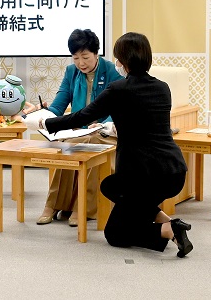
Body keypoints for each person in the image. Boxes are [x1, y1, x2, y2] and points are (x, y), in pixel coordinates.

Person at [40, 32, 193, 257]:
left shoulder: (119, 89)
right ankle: (170, 222)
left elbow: (82, 116)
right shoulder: (163, 87)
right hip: (173, 172)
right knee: (110, 186)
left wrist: (46, 123)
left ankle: (169, 229)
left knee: (116, 234)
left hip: (143, 176)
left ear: (122, 61)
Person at [35, 29, 123, 226]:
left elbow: (119, 106)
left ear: (96, 53)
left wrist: (103, 122)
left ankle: (81, 206)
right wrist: (44, 114)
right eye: (76, 58)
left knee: (87, 143)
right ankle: (54, 204)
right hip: (78, 129)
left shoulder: (110, 71)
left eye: (85, 57)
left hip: (104, 131)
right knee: (68, 144)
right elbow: (59, 103)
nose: (81, 63)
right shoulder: (71, 71)